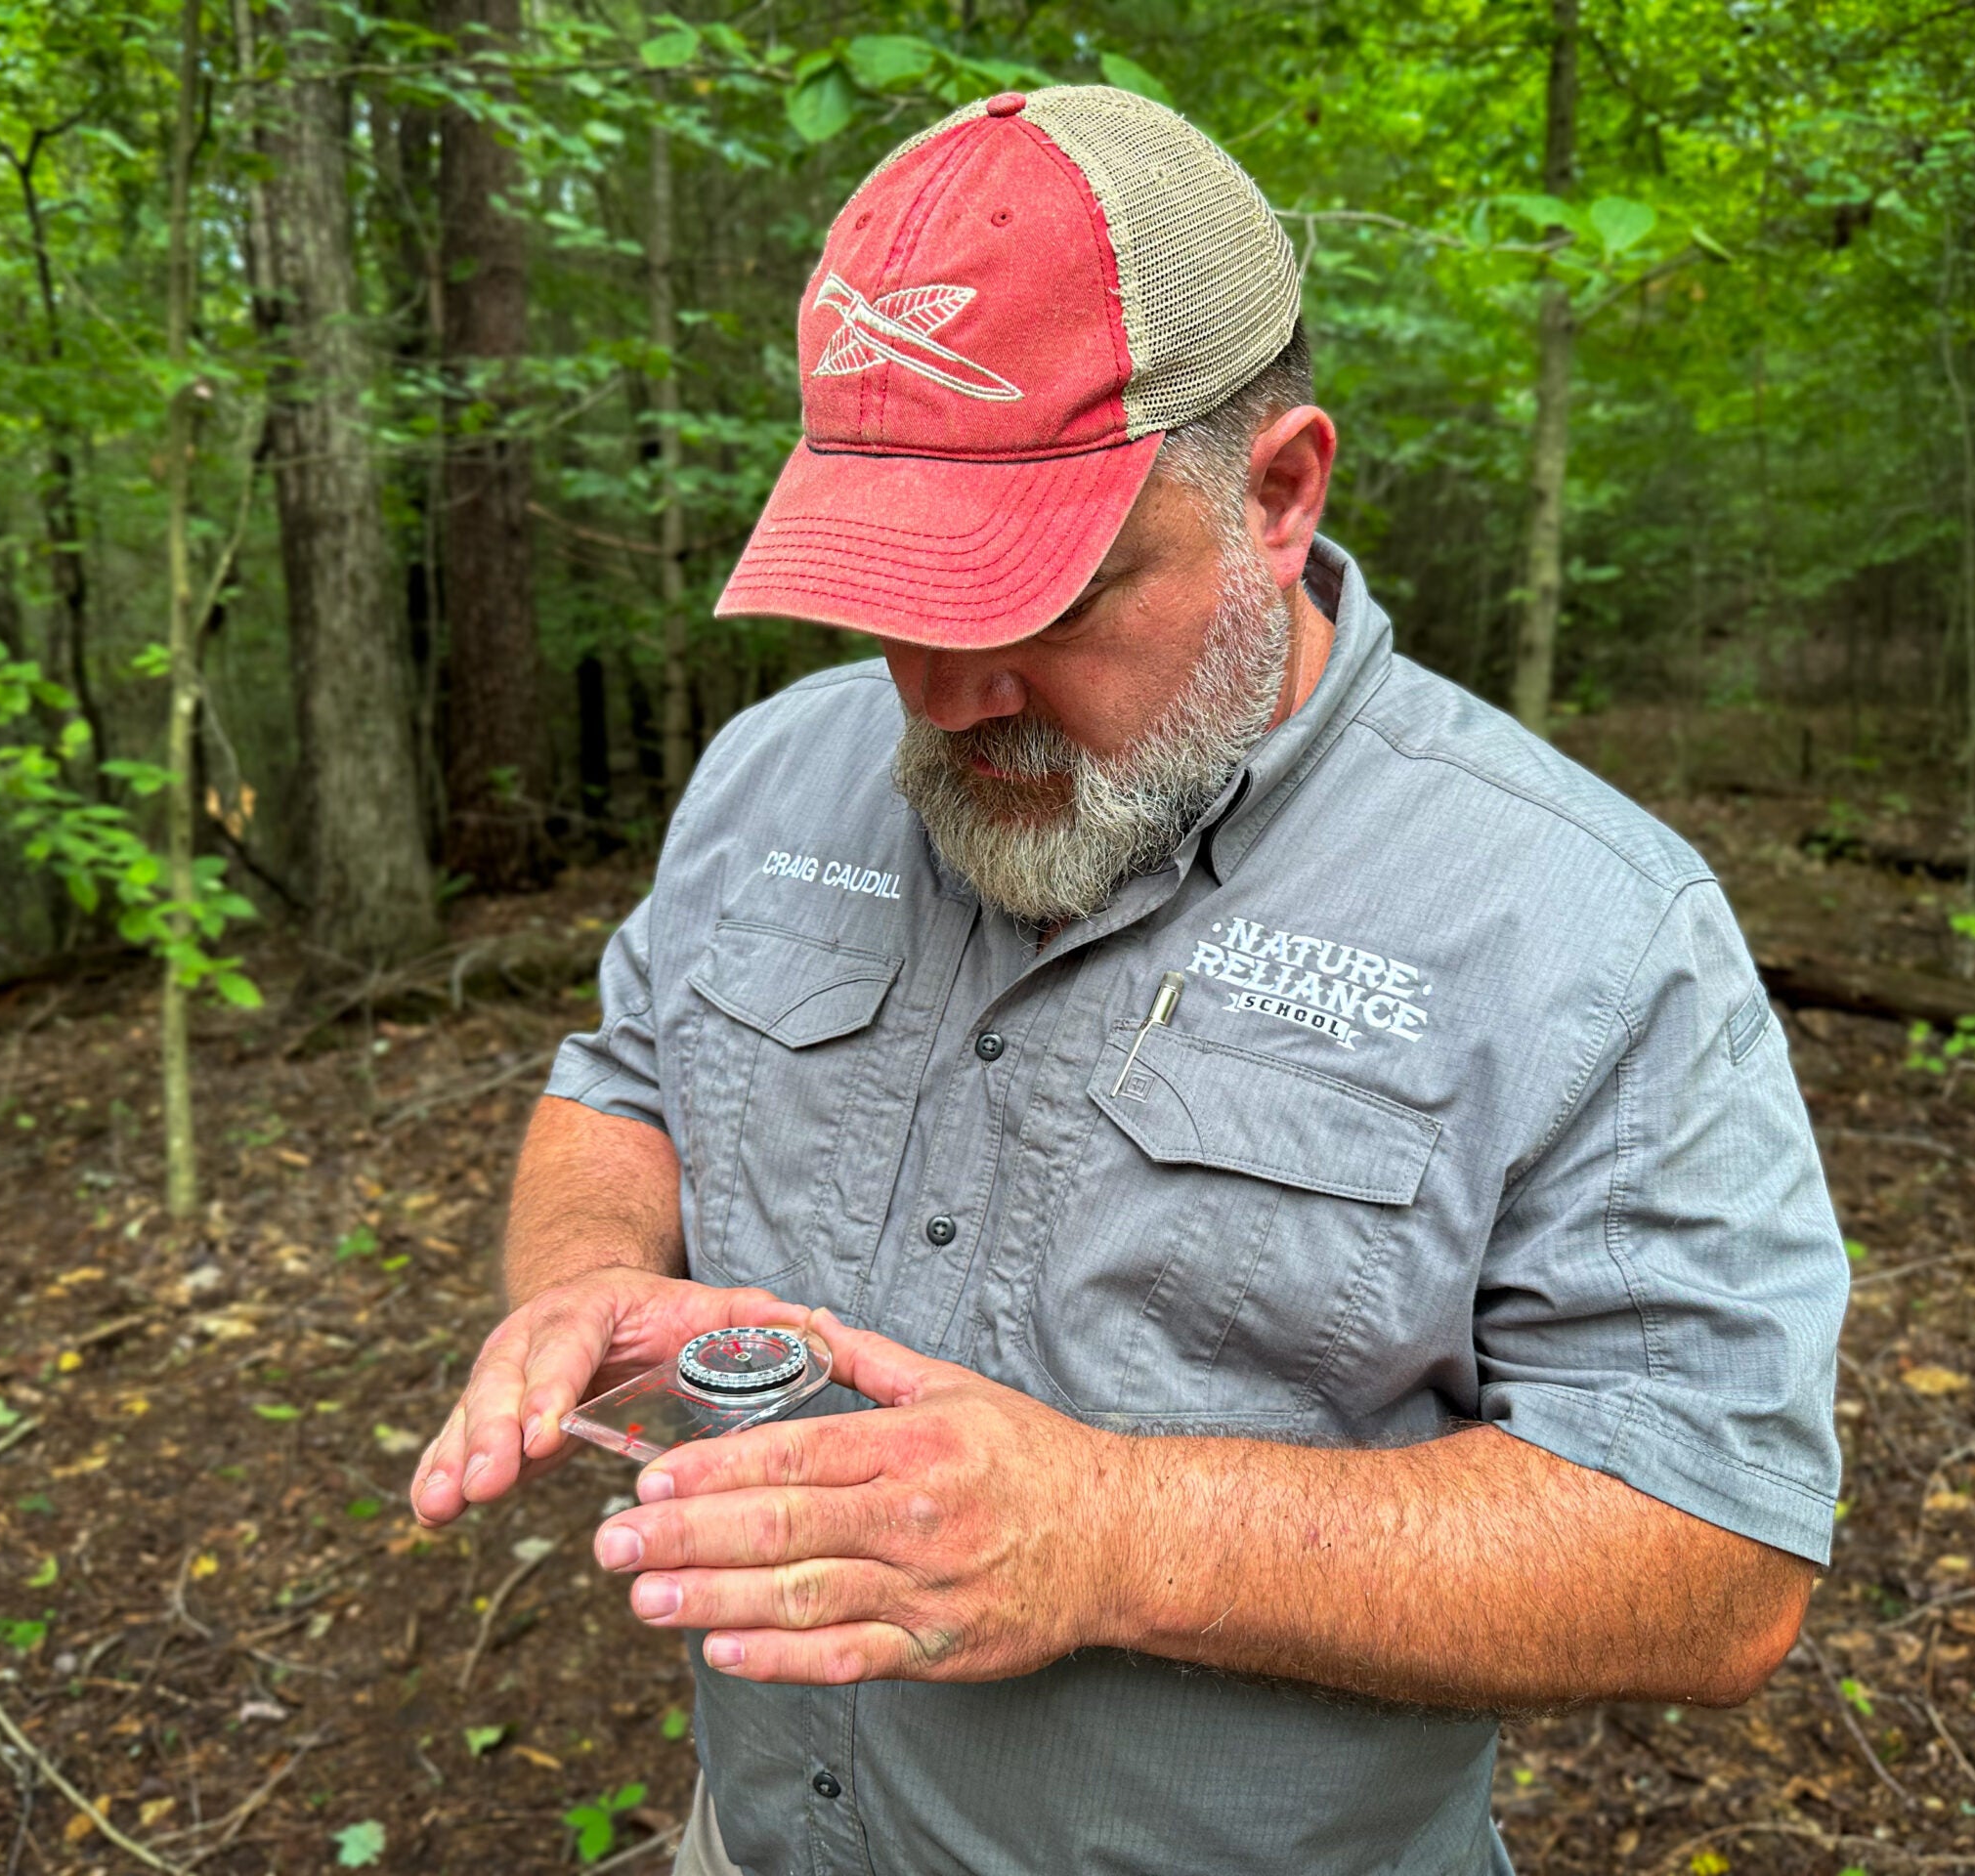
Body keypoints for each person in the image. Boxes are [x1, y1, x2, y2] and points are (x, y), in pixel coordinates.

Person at [411, 86, 1846, 1876]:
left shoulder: (1580, 923)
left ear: (1278, 490)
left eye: (1042, 600)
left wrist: (1111, 1532)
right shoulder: (774, 776)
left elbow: (1716, 1556)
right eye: (893, 600)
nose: (940, 693)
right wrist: (583, 1282)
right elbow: (623, 1087)